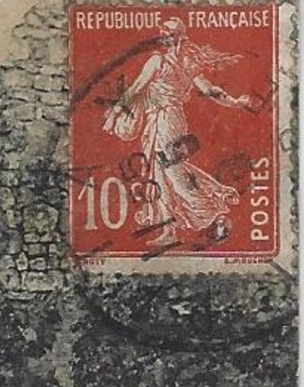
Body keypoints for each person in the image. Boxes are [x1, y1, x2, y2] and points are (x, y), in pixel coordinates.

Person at [103, 17, 254, 246]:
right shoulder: (186, 62)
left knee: (170, 173)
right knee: (163, 172)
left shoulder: (159, 61)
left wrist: (114, 113)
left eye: (170, 30)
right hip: (168, 121)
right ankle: (172, 227)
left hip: (165, 121)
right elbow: (210, 90)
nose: (164, 32)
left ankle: (210, 210)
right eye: (163, 29)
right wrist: (234, 102)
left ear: (180, 36)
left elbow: (135, 90)